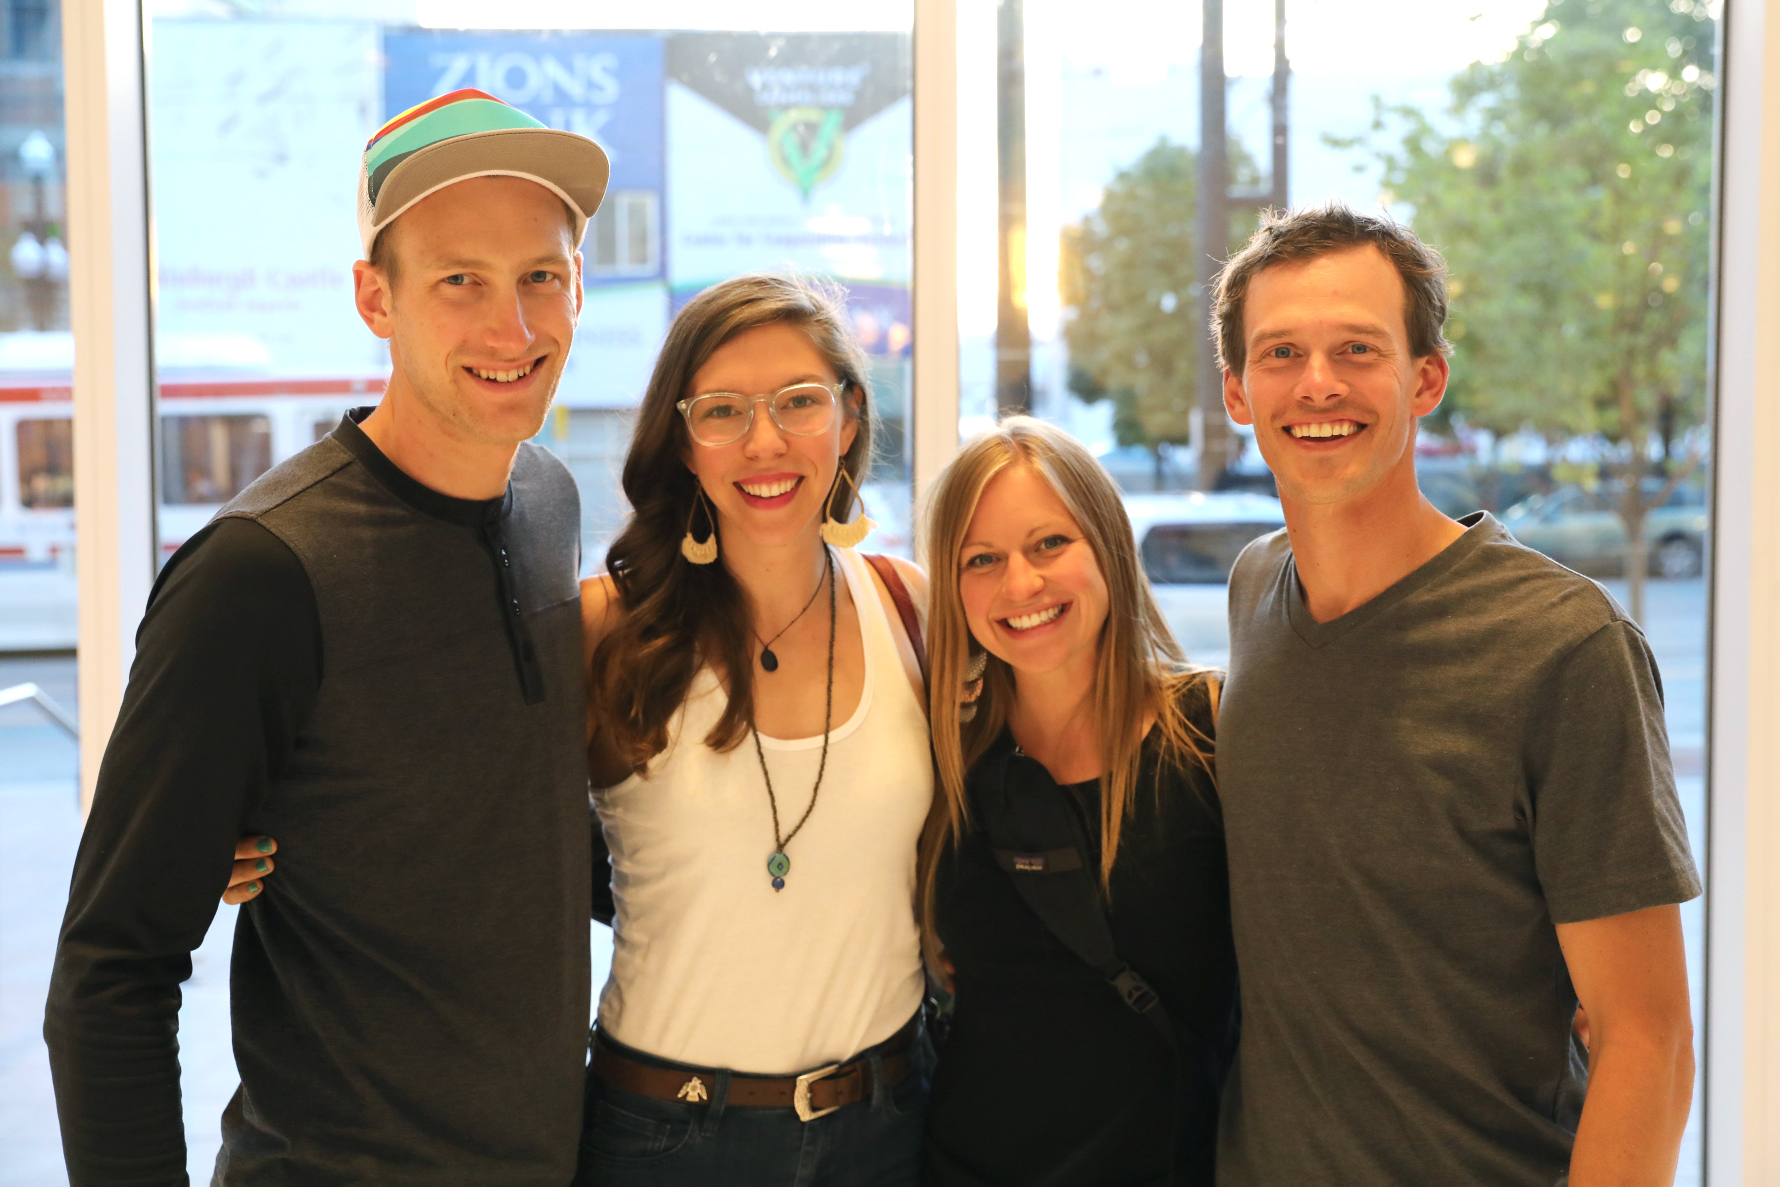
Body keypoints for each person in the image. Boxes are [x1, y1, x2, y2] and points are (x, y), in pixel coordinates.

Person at [45, 89, 609, 1184]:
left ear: (578, 286)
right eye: (460, 280)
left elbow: (523, 828)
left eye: (541, 275)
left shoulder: (548, 499)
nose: (513, 329)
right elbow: (112, 970)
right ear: (374, 298)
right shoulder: (260, 571)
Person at [1210, 204, 1700, 1186]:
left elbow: (1648, 1040)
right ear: (1237, 392)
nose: (1317, 383)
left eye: (1358, 348)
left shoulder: (1563, 644)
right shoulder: (1255, 587)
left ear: (1425, 378)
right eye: (1281, 352)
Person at [575, 273, 933, 1185]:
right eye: (723, 410)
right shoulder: (606, 627)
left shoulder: (912, 610)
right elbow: (455, 799)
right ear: (682, 444)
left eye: (799, 401)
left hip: (888, 1124)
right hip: (665, 1137)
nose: (765, 440)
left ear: (849, 418)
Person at [915, 417, 1237, 1186]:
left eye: (1049, 543)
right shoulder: (943, 760)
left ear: (1108, 544)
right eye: (982, 559)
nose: (1020, 584)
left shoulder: (1215, 733)